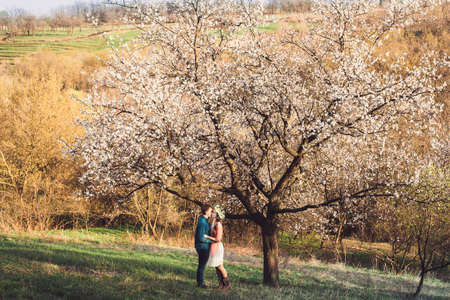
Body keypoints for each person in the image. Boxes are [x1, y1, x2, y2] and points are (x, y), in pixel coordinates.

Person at [204, 205, 230, 290]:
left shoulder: (218, 224)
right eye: (212, 212)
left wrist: (207, 237)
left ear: (217, 214)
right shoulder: (213, 222)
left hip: (217, 247)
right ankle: (220, 285)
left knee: (220, 266)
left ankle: (226, 285)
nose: (212, 213)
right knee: (216, 266)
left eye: (214, 212)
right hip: (213, 246)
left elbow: (218, 239)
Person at [194, 204, 212, 288]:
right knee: (202, 266)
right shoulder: (202, 221)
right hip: (202, 247)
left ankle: (199, 283)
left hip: (202, 246)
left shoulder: (204, 220)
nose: (211, 212)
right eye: (210, 211)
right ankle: (201, 284)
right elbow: (201, 237)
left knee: (201, 265)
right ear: (206, 211)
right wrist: (211, 241)